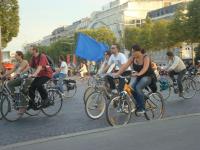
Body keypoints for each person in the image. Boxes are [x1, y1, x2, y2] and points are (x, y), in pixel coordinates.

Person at [113, 44, 157, 114]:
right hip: (139, 77)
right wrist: (117, 73)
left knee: (138, 87)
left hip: (149, 76)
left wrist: (138, 74)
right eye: (132, 52)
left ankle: (142, 108)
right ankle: (139, 103)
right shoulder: (132, 58)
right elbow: (125, 66)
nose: (132, 53)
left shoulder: (145, 57)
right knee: (131, 89)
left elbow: (145, 68)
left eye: (133, 52)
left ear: (138, 51)